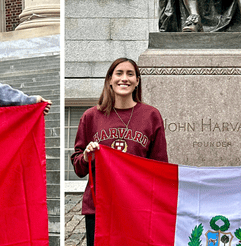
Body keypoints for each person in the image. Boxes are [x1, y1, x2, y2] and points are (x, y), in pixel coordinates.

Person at [70, 58, 168, 246]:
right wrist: (86, 157)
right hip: (99, 207)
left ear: (137, 81)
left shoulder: (151, 115)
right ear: (109, 79)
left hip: (138, 207)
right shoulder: (91, 116)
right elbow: (79, 168)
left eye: (130, 74)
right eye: (119, 73)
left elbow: (160, 166)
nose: (125, 79)